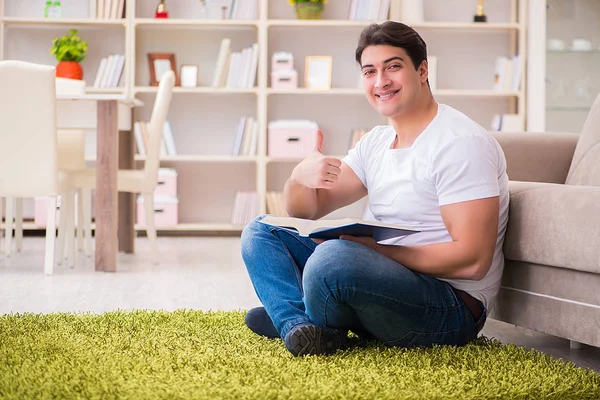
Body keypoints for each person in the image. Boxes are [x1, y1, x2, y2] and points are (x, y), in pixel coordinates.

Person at [241, 21, 509, 357]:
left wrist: (376, 252)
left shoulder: (460, 143)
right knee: (261, 231)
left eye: (393, 67)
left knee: (332, 259)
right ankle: (300, 325)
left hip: (450, 306)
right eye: (370, 71)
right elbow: (306, 210)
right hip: (385, 278)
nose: (380, 81)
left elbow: (473, 260)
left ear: (422, 70)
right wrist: (299, 177)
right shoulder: (378, 142)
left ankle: (295, 314)